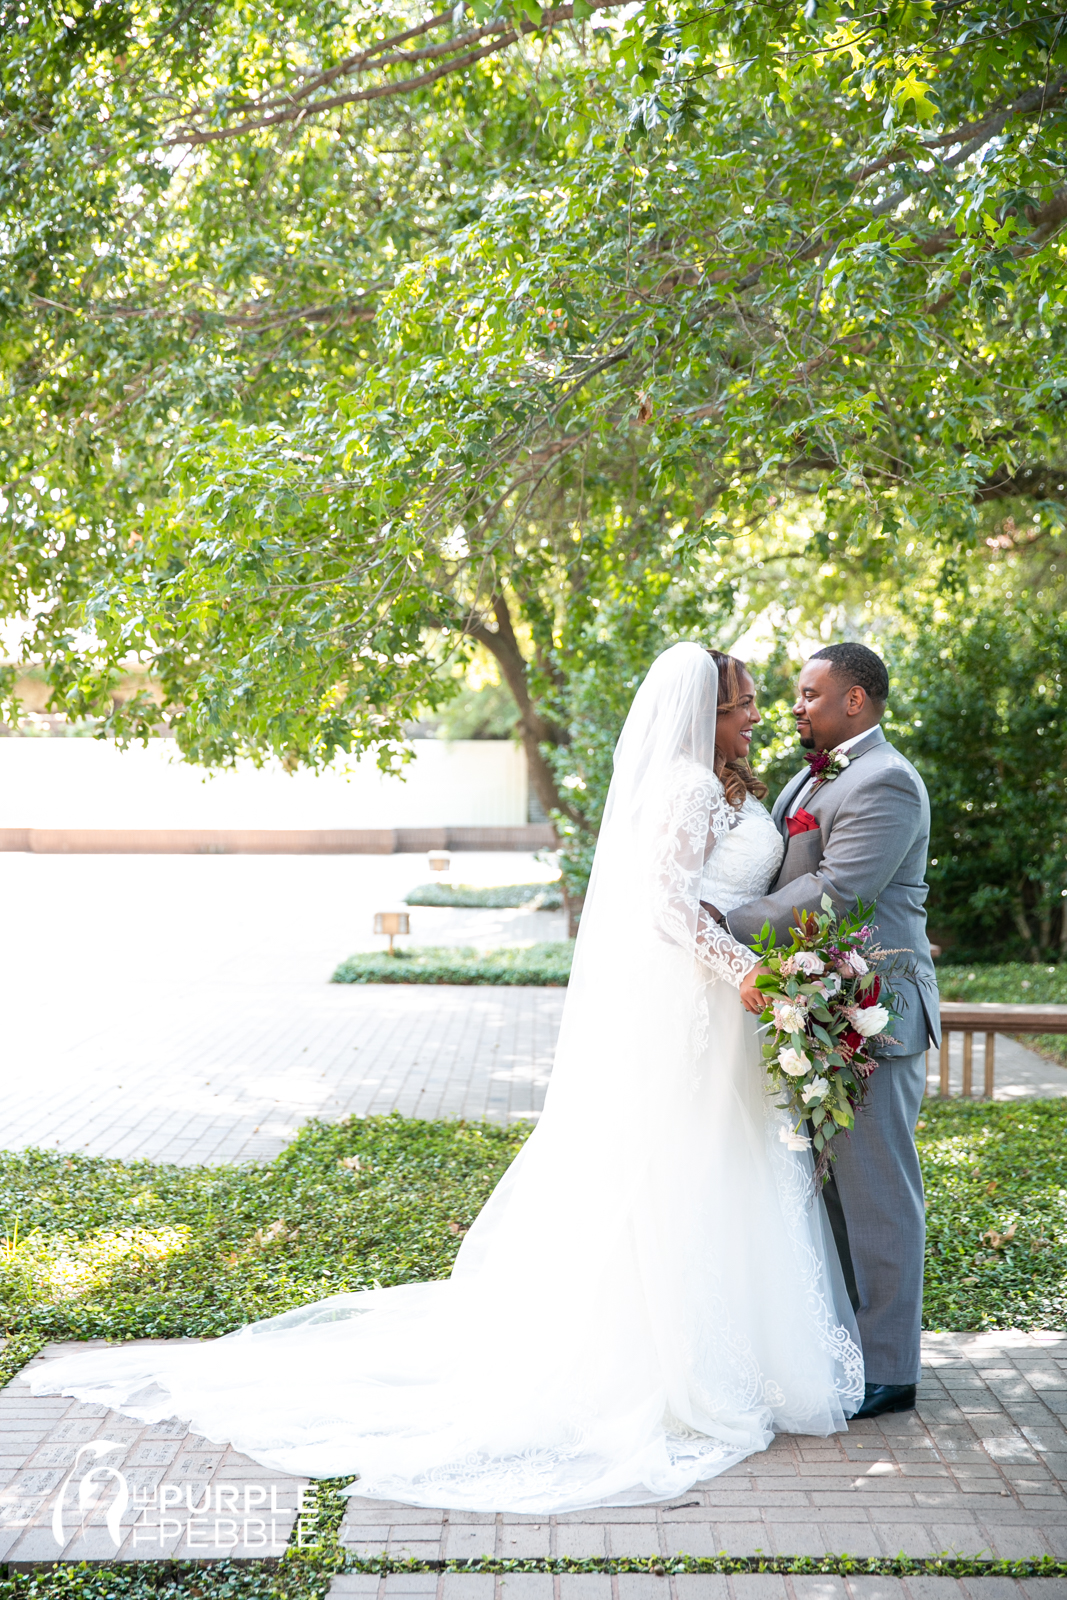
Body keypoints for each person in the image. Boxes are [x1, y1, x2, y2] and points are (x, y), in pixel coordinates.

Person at [29, 643, 862, 1515]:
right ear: (704, 714)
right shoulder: (689, 787)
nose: (756, 715)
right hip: (698, 1005)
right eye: (741, 704)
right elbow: (661, 904)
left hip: (715, 1010)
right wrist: (744, 974)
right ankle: (668, 1362)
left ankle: (725, 1351)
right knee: (676, 1173)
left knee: (713, 1171)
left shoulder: (727, 785)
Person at [709, 643, 939, 1420]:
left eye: (810, 694)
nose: (794, 706)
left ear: (855, 700)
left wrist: (721, 922)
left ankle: (890, 1371)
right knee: (827, 1195)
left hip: (875, 1013)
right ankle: (843, 1350)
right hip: (814, 1006)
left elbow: (838, 893)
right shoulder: (814, 773)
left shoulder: (885, 782)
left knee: (877, 1194)